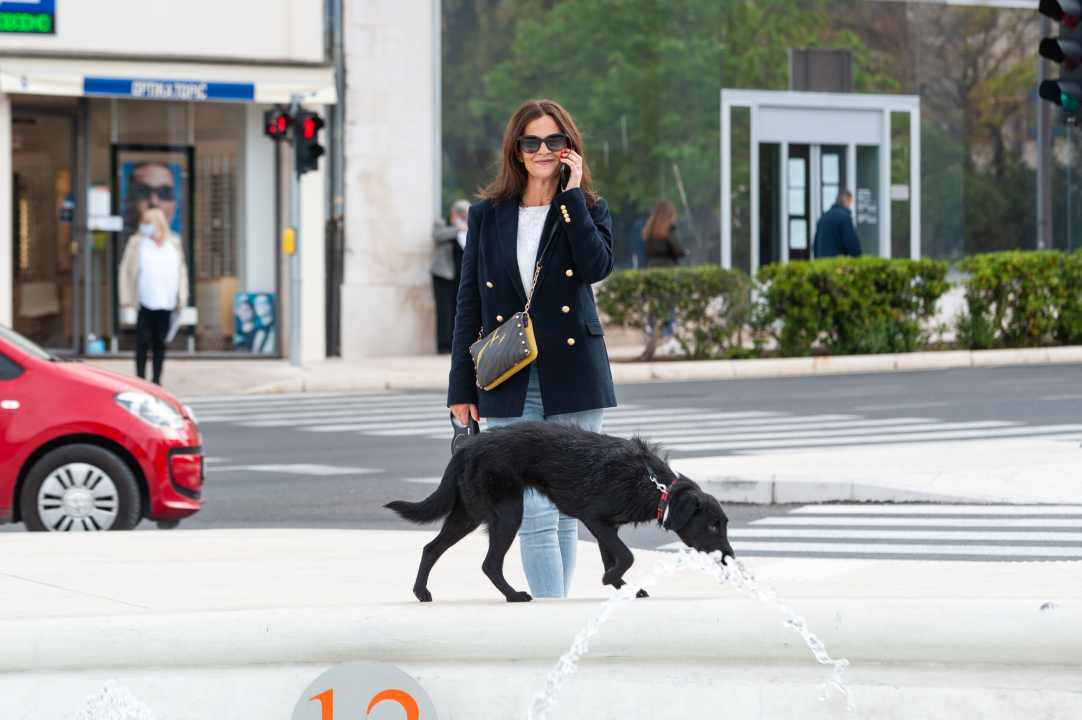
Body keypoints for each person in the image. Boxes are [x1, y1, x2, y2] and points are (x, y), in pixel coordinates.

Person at [447, 99, 616, 599]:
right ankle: (555, 627)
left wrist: (570, 197)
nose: (543, 150)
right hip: (504, 374)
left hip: (574, 377)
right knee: (531, 514)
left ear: (569, 149)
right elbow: (468, 305)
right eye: (531, 141)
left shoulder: (587, 209)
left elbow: (595, 267)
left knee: (566, 514)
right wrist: (461, 386)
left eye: (554, 141)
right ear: (516, 151)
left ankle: (555, 626)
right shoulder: (486, 215)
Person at [118, 208, 189, 384]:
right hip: (145, 301)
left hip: (167, 302)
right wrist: (125, 297)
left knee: (160, 342)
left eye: (148, 221)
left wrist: (183, 296)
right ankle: (140, 380)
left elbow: (182, 272)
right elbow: (126, 271)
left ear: (158, 222)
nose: (144, 225)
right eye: (144, 222)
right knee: (142, 341)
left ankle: (157, 380)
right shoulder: (137, 243)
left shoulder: (173, 243)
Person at [432, 199, 470, 354]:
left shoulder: (469, 227)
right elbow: (437, 236)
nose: (463, 217)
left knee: (459, 311)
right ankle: (444, 346)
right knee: (444, 311)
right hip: (444, 275)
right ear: (454, 212)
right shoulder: (442, 223)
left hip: (462, 276)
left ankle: (457, 345)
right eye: (460, 213)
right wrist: (457, 228)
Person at [124, 162, 178, 235]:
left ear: (174, 204)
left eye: (164, 193)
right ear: (128, 202)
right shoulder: (133, 242)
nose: (154, 202)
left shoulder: (176, 242)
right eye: (143, 192)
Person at [813, 189, 862, 258]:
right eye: (850, 202)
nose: (850, 205)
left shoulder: (823, 216)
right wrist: (858, 259)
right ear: (845, 201)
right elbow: (852, 243)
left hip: (822, 263)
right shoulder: (844, 217)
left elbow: (816, 244)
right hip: (836, 264)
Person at [642, 199, 688, 268]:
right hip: (669, 268)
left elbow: (647, 253)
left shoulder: (648, 230)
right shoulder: (669, 230)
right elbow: (680, 251)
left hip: (652, 268)